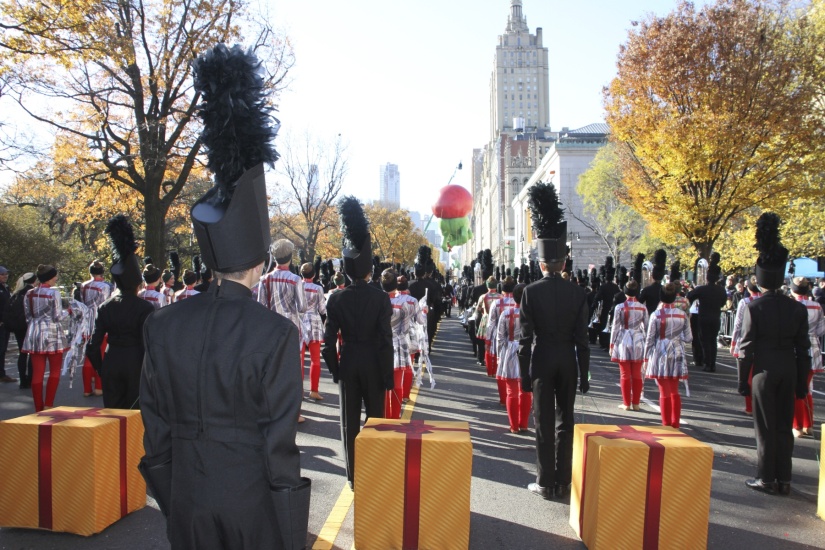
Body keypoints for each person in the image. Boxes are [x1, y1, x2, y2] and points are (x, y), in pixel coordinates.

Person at [139, 43, 306, 549]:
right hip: (252, 504)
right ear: (258, 262)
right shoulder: (276, 334)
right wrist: (290, 520)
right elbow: (279, 445)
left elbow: (156, 424)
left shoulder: (163, 325)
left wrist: (173, 494)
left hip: (186, 499)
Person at [519, 182, 590, 501]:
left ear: (542, 263)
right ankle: (563, 480)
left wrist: (523, 374)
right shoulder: (578, 292)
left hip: (542, 359)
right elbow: (583, 339)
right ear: (563, 263)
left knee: (544, 422)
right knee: (566, 420)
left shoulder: (531, 292)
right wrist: (585, 374)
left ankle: (545, 481)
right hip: (568, 360)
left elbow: (524, 339)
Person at [322, 196, 393, 489]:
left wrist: (336, 369)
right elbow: (386, 339)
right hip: (375, 362)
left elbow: (328, 341)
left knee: (349, 422)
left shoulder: (335, 297)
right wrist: (388, 377)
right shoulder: (380, 297)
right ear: (369, 270)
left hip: (349, 359)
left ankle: (353, 476)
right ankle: (375, 471)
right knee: (376, 418)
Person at [738, 212, 810, 495]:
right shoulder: (798, 308)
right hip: (789, 368)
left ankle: (766, 477)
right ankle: (785, 478)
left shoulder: (754, 308)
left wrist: (743, 381)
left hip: (764, 370)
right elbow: (803, 349)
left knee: (765, 428)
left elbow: (746, 348)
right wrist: (803, 381)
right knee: (783, 425)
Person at [86, 216, 155, 409]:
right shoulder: (145, 307)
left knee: (112, 416)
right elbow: (146, 343)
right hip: (135, 364)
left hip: (111, 361)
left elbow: (93, 344)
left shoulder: (105, 307)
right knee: (134, 416)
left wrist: (101, 367)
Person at [258, 238, 307, 423]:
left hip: (270, 329)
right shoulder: (295, 280)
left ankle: (271, 408)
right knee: (293, 370)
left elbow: (261, 304)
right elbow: (302, 307)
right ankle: (294, 412)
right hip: (291, 328)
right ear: (290, 257)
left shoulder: (265, 278)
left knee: (271, 370)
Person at [644, 282, 692, 428]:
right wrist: (678, 339)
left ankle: (666, 423)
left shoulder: (656, 315)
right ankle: (675, 422)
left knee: (664, 390)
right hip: (677, 351)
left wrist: (646, 357)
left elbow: (650, 338)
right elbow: (689, 338)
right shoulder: (683, 315)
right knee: (675, 389)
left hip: (661, 352)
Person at [21, 264, 68, 411]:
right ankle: (49, 403)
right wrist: (70, 311)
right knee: (54, 370)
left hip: (34, 332)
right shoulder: (54, 294)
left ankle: (38, 406)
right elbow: (58, 316)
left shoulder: (29, 293)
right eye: (54, 276)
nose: (56, 278)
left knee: (37, 371)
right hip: (52, 332)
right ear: (49, 278)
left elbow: (28, 315)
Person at [610, 254, 649, 412]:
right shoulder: (642, 307)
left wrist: (612, 344)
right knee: (637, 374)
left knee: (625, 373)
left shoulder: (620, 307)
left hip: (624, 339)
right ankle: (636, 402)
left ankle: (626, 403)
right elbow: (646, 327)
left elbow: (615, 327)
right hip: (638, 338)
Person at [789, 277, 824, 438]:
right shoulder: (816, 306)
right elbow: (821, 329)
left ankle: (797, 425)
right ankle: (809, 424)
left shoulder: (791, 306)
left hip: (796, 348)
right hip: (813, 347)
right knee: (808, 388)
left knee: (796, 387)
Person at [497, 283, 531, 434]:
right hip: (528, 350)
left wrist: (500, 356)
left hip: (510, 350)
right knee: (526, 390)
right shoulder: (533, 314)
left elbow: (500, 338)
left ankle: (514, 426)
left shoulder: (506, 314)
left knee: (511, 391)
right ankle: (523, 423)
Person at [687, 252, 727, 372]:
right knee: (712, 341)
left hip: (704, 317)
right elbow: (723, 303)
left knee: (704, 340)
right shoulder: (721, 290)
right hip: (715, 316)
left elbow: (690, 297)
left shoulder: (702, 289)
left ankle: (707, 362)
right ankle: (712, 363)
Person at [730, 276, 763, 415]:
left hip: (746, 340)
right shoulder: (765, 301)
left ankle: (750, 406)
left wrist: (733, 342)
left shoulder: (745, 301)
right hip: (762, 342)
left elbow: (738, 323)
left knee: (747, 375)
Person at [80, 260, 112, 397]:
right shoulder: (104, 286)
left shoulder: (84, 285)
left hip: (87, 321)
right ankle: (99, 386)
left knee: (88, 355)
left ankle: (87, 388)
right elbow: (106, 304)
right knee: (101, 355)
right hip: (99, 321)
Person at [4, 272, 37, 388]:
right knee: (32, 353)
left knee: (22, 353)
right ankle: (30, 379)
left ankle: (23, 380)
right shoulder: (32, 293)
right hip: (30, 326)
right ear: (34, 281)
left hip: (18, 327)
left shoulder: (16, 294)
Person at [300, 261, 326, 401]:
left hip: (300, 321)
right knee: (315, 360)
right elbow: (322, 309)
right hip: (314, 322)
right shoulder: (317, 288)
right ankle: (314, 390)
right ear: (314, 275)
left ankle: (299, 391)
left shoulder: (297, 285)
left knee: (300, 359)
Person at [0, 266, 16, 383]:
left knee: (2, 349)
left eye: (6, 274)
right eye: (2, 274)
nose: (5, 276)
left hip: (5, 324)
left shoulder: (5, 288)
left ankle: (2, 374)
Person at [639, 249, 666, 315]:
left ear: (652, 276)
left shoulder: (647, 290)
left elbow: (639, 303)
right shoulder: (665, 290)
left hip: (649, 316)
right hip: (663, 317)